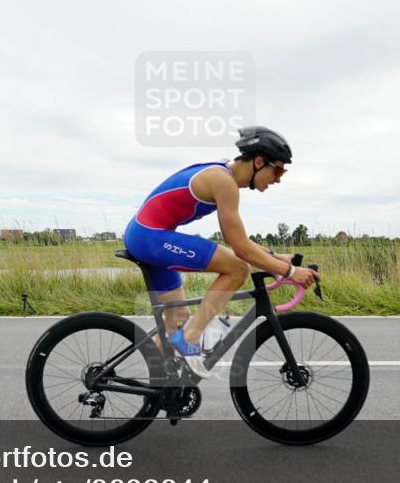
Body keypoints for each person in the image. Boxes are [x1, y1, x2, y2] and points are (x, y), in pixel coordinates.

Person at [122, 126, 320, 378]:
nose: (279, 178)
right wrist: (290, 271)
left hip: (146, 234)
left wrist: (274, 257)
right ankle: (191, 339)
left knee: (175, 323)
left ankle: (157, 394)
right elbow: (240, 250)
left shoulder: (223, 176)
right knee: (238, 269)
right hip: (150, 236)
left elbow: (239, 240)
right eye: (278, 169)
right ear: (259, 162)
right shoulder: (223, 181)